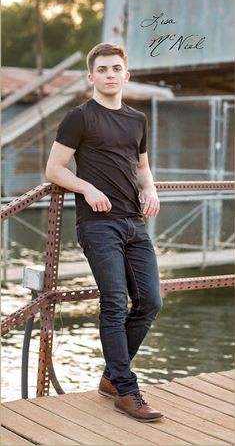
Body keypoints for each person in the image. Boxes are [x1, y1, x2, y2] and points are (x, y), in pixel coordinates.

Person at [46, 42, 163, 422]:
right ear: (91, 76)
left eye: (116, 69)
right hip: (98, 225)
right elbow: (54, 169)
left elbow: (141, 166)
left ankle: (113, 375)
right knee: (114, 303)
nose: (110, 74)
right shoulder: (78, 117)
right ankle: (126, 391)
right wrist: (87, 187)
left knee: (150, 302)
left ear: (125, 76)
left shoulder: (137, 120)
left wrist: (150, 188)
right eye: (103, 69)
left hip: (135, 222)